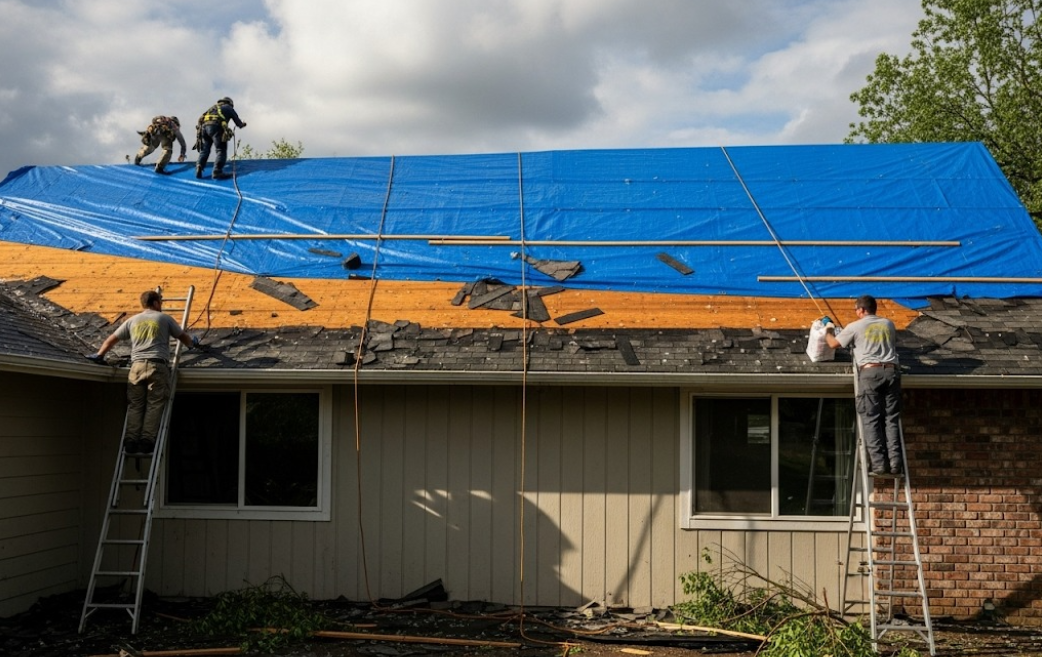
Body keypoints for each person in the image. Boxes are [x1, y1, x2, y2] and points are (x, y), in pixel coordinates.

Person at [87, 290, 198, 455]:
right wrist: (192, 345)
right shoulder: (164, 319)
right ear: (154, 303)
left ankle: (131, 440)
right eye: (160, 302)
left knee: (135, 405)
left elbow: (112, 339)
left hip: (136, 367)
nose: (161, 305)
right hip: (157, 366)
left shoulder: (133, 320)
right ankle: (147, 440)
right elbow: (182, 336)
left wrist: (99, 355)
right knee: (154, 403)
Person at [823, 295, 903, 477]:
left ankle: (879, 466)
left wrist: (828, 328)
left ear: (862, 310)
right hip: (892, 373)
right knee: (891, 419)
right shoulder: (888, 324)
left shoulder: (855, 326)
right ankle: (896, 463)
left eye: (856, 310)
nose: (856, 313)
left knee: (871, 417)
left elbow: (833, 344)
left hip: (870, 373)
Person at [194, 96, 247, 180]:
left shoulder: (212, 108)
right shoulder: (228, 108)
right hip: (216, 127)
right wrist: (243, 124)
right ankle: (217, 172)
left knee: (205, 150)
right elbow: (238, 123)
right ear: (230, 103)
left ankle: (199, 165)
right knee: (221, 150)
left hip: (204, 129)